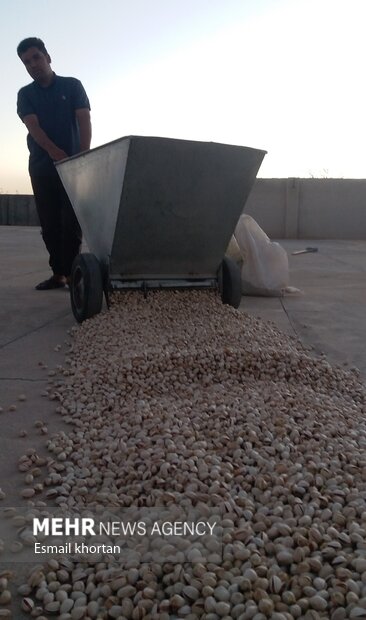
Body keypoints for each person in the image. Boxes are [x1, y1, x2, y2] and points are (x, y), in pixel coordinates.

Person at [17, 37, 92, 290]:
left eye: (36, 57)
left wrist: (83, 156)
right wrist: (54, 152)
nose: (33, 64)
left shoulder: (72, 86)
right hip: (41, 167)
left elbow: (83, 120)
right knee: (49, 224)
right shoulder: (25, 94)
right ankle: (58, 274)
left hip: (74, 167)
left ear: (48, 57)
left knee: (71, 223)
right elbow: (33, 126)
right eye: (26, 62)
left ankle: (73, 275)